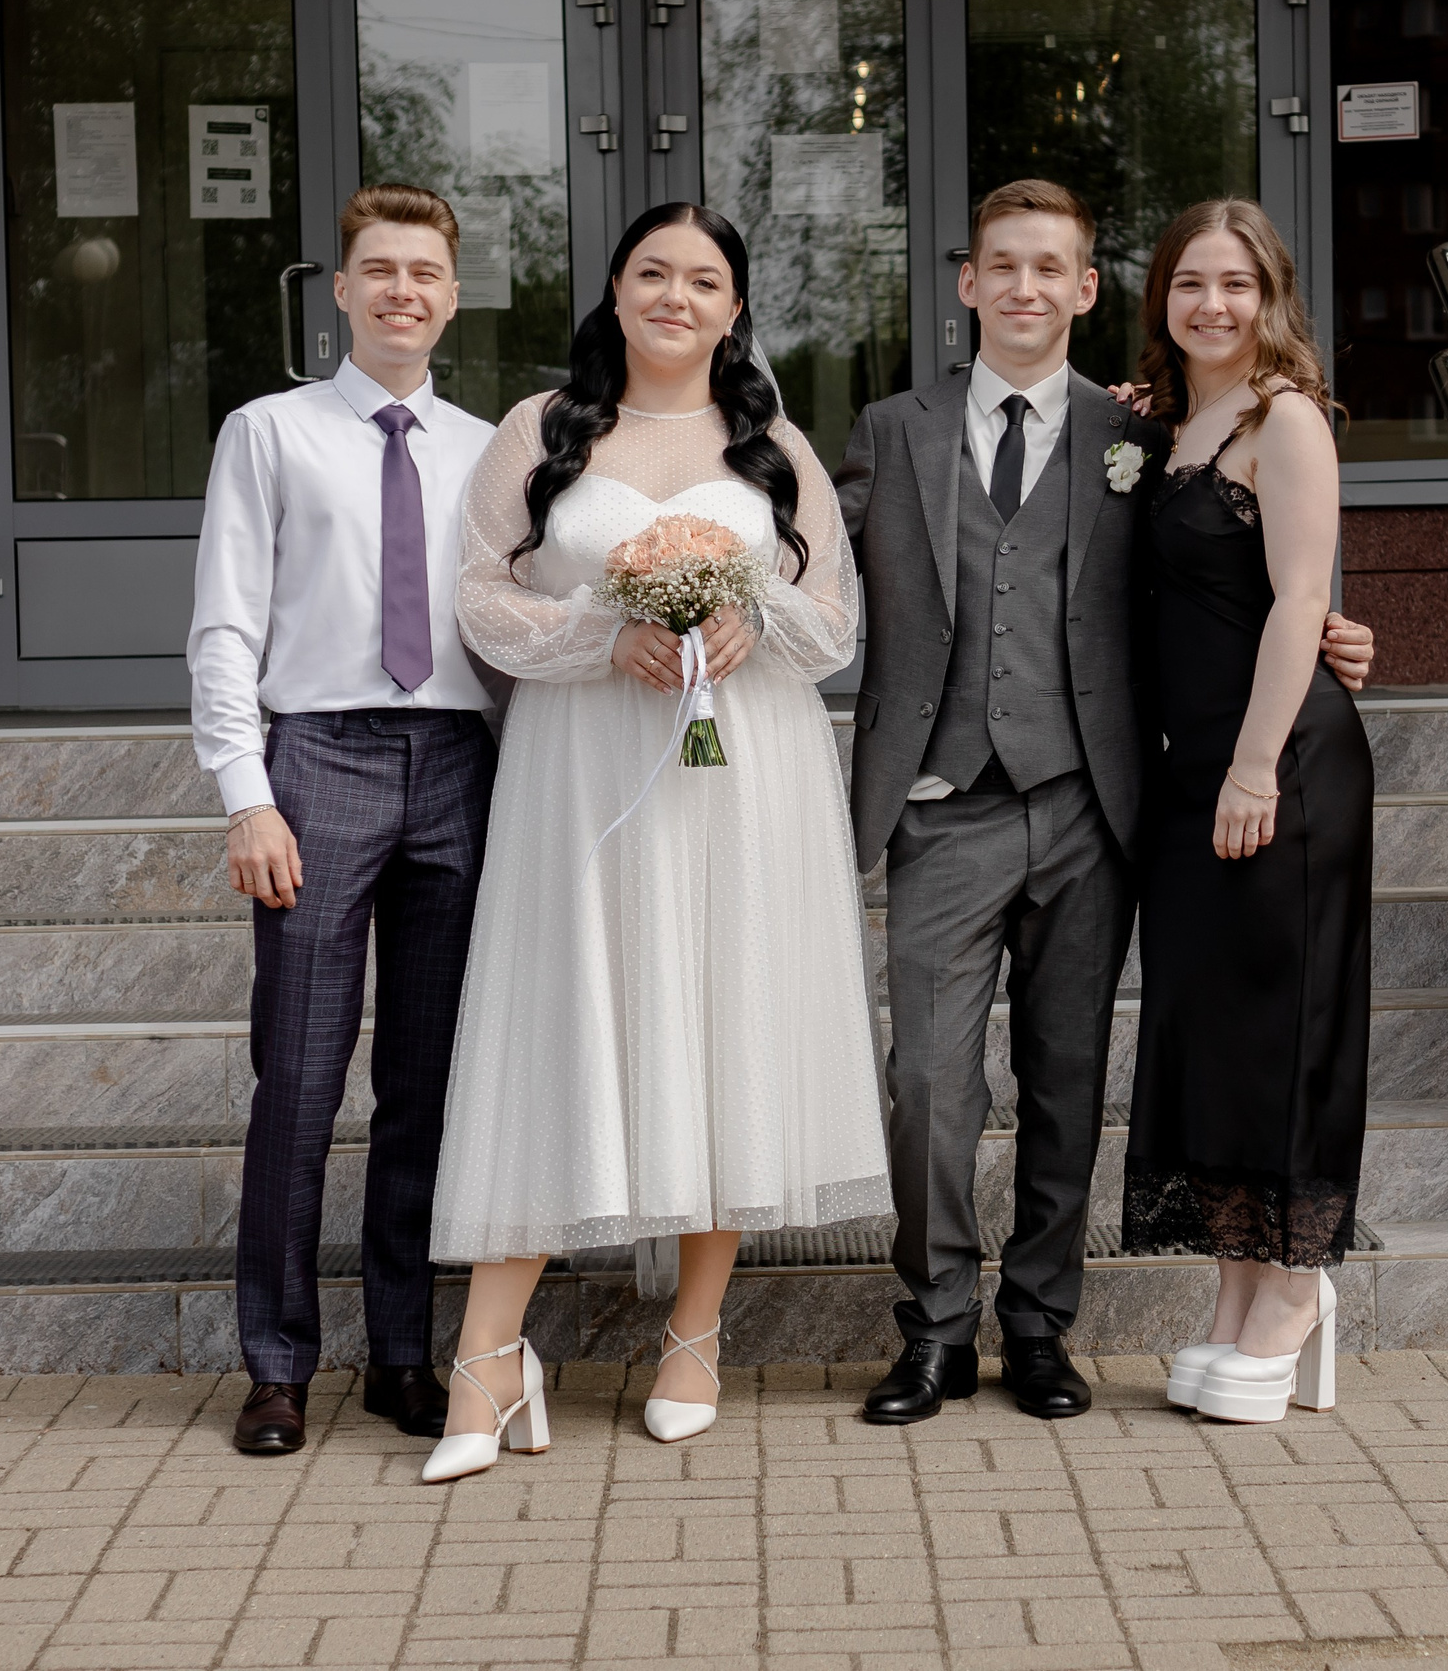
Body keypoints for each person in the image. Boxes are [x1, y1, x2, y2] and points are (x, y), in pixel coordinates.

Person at [832, 179, 1376, 1426]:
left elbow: (1235, 573)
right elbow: (813, 560)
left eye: (1052, 269)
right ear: (966, 284)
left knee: (1069, 1075)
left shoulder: (1129, 433)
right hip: (940, 803)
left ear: (1084, 291)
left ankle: (1039, 1328)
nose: (1025, 288)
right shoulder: (895, 425)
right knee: (928, 1084)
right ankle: (932, 1328)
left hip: (1094, 805)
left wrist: (1324, 631)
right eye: (1000, 266)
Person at [420, 203, 889, 1482]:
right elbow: (477, 596)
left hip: (742, 771)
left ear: (736, 308)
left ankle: (694, 1334)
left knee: (726, 1009)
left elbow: (832, 621)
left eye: (704, 280)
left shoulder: (771, 442)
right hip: (582, 769)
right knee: (558, 1017)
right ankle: (488, 1357)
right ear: (616, 291)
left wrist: (749, 618)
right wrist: (597, 635)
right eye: (651, 273)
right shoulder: (542, 429)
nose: (676, 296)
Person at [188, 184, 498, 1455]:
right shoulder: (268, 433)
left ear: (452, 294)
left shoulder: (492, 448)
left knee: (427, 1087)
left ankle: (404, 1358)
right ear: (340, 288)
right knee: (301, 1082)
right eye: (379, 269)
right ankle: (276, 1365)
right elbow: (224, 621)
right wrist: (244, 792)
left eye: (424, 272)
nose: (401, 291)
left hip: (459, 767)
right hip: (317, 759)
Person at [1120, 198, 1369, 1425]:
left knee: (1286, 1030)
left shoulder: (1288, 422)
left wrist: (1254, 767)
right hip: (1184, 774)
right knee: (1213, 1037)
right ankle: (1234, 1297)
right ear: (1161, 298)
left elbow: (1297, 599)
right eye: (1188, 285)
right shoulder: (1161, 424)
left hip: (1277, 766)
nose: (1211, 306)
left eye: (1234, 285)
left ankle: (1298, 1293)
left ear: (1270, 296)